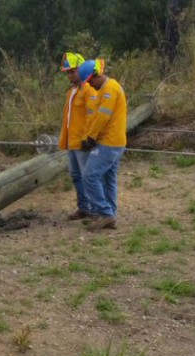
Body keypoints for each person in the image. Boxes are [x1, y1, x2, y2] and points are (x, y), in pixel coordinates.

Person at [77, 59, 127, 230]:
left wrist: (90, 137)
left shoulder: (109, 89)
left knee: (89, 175)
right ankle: (110, 215)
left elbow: (103, 117)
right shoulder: (105, 89)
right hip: (114, 141)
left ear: (97, 75)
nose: (90, 84)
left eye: (91, 80)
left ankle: (105, 213)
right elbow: (96, 116)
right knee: (108, 178)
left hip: (109, 142)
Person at [58, 52, 98, 220]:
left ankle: (96, 209)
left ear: (80, 69)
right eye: (67, 72)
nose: (69, 75)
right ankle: (84, 207)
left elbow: (93, 115)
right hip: (72, 141)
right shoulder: (72, 91)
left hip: (83, 142)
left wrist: (88, 137)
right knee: (76, 175)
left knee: (87, 176)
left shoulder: (89, 89)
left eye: (72, 71)